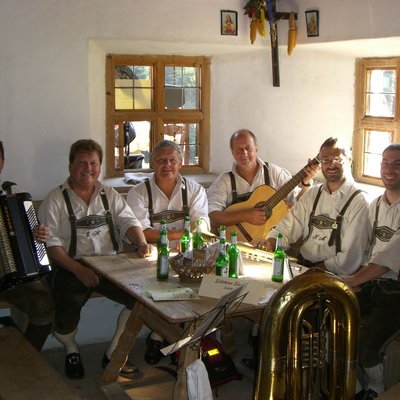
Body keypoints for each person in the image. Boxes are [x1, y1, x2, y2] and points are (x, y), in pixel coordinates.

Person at [38, 139, 151, 380]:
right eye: (82, 163)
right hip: (70, 265)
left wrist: (140, 243)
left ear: (100, 166)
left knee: (142, 299)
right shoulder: (55, 199)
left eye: (94, 163)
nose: (88, 168)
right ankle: (71, 348)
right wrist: (78, 270)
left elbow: (128, 222)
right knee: (66, 306)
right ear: (70, 166)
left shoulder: (109, 194)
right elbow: (52, 245)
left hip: (110, 264)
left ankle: (113, 353)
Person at [126, 139, 210, 365]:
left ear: (180, 163)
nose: (167, 165)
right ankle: (161, 338)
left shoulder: (195, 190)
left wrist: (191, 235)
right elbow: (142, 233)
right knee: (152, 290)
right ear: (152, 163)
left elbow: (201, 224)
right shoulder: (138, 192)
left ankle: (162, 339)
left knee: (198, 293)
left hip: (187, 259)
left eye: (172, 160)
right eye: (161, 160)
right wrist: (182, 234)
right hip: (150, 258)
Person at [341, 144, 400, 400]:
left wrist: (353, 279)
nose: (389, 169)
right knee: (333, 320)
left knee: (365, 342)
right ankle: (348, 387)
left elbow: (390, 258)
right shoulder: (375, 205)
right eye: (385, 162)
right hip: (371, 283)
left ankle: (375, 390)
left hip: (395, 290)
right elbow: (363, 249)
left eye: (397, 164)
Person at [262, 136, 370, 275]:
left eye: (337, 160)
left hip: (333, 276)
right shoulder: (312, 194)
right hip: (303, 267)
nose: (331, 165)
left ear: (349, 161)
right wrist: (271, 241)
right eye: (325, 160)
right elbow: (288, 226)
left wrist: (313, 272)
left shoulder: (360, 201)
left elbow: (349, 258)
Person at [207, 128, 318, 234]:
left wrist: (306, 182)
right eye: (239, 149)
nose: (244, 153)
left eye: (248, 148)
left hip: (272, 240)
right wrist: (246, 215)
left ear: (256, 149)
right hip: (235, 243)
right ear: (233, 152)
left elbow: (298, 204)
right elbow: (212, 216)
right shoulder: (224, 181)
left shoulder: (274, 173)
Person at [0, 140, 54, 352]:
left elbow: (32, 233)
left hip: (13, 278)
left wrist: (39, 233)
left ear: (2, 162)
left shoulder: (12, 192)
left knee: (44, 305)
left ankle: (28, 361)